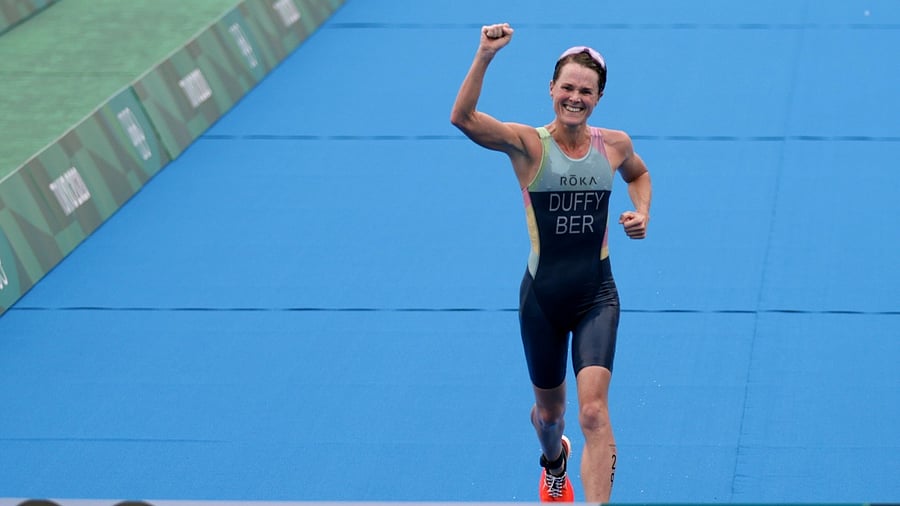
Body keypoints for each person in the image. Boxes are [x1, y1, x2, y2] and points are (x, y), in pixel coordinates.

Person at [450, 23, 652, 502]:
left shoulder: (615, 145)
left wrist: (642, 211)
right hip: (542, 299)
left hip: (596, 295)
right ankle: (553, 461)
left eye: (586, 90)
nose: (575, 98)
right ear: (551, 89)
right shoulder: (528, 144)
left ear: (599, 97)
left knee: (593, 414)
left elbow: (639, 174)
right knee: (552, 417)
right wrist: (484, 55)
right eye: (567, 88)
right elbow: (463, 118)